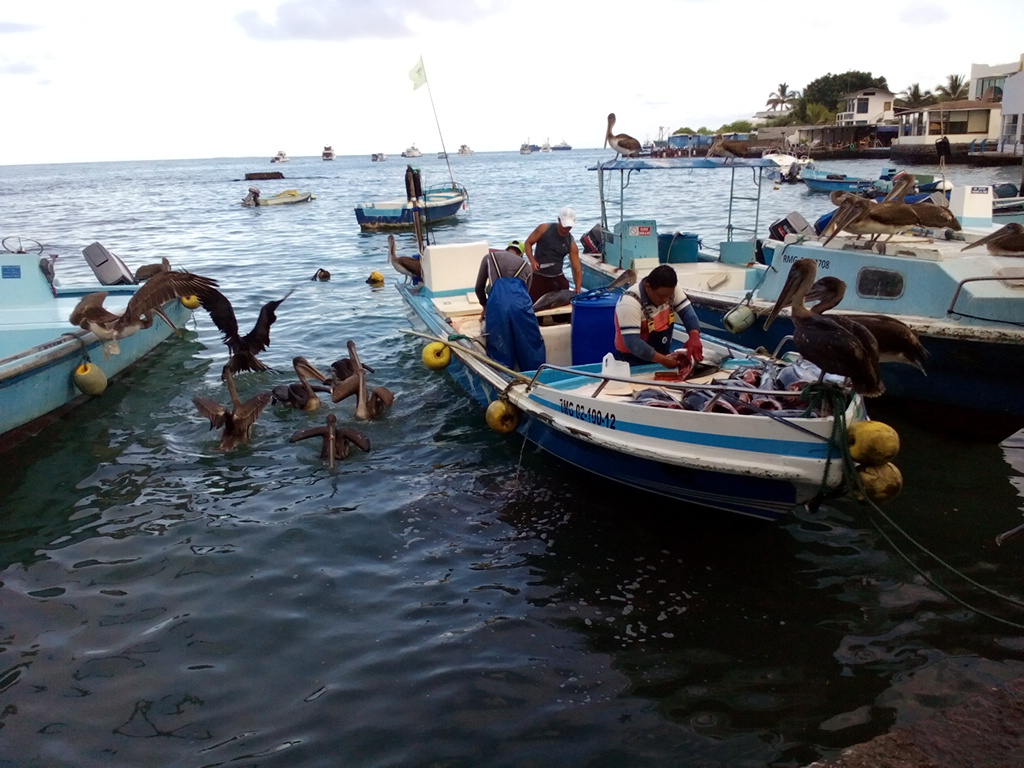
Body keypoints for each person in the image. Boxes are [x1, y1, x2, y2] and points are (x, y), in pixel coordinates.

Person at [475, 240, 546, 371]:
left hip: (497, 307)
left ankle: (503, 377)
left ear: (507, 249)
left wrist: (485, 306)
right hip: (521, 307)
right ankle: (535, 376)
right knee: (530, 344)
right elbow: (526, 293)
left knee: (500, 345)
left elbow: (479, 287)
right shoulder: (527, 266)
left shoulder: (490, 258)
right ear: (521, 254)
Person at [613, 264, 703, 368]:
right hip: (631, 359)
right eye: (661, 296)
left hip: (662, 355)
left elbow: (687, 313)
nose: (665, 300)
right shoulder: (629, 302)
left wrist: (694, 337)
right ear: (648, 287)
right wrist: (663, 360)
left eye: (669, 296)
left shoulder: (670, 290)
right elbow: (633, 343)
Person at [524, 206, 583, 304]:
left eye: (568, 227)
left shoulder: (571, 244)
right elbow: (528, 243)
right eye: (564, 226)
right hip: (539, 274)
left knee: (562, 309)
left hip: (556, 276)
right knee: (534, 306)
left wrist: (578, 287)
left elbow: (577, 268)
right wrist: (532, 260)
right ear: (559, 220)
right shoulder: (543, 229)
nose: (565, 229)